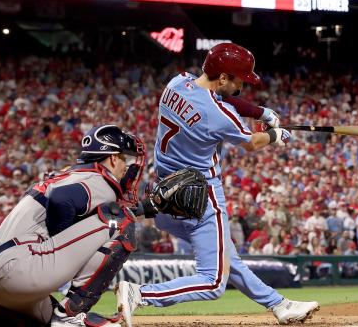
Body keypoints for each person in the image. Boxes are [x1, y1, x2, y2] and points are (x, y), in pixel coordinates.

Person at [116, 43, 319, 326]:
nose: (240, 87)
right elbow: (252, 142)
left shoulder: (176, 83)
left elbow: (217, 97)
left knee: (226, 255)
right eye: (237, 80)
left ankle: (279, 305)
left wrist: (259, 112)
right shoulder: (218, 115)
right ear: (222, 77)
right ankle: (140, 293)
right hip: (203, 199)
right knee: (212, 282)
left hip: (165, 194)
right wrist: (276, 136)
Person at [0, 125, 147, 326]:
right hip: (18, 273)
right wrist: (57, 241)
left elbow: (71, 203)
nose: (126, 166)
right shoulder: (99, 179)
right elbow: (62, 200)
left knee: (50, 319)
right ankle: (71, 313)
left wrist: (147, 208)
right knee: (120, 220)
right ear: (113, 158)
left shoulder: (69, 176)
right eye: (125, 158)